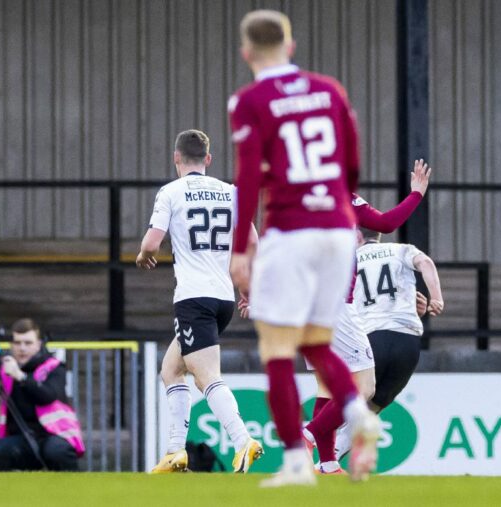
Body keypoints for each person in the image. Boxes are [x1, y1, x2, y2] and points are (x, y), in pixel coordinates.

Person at [228, 9, 381, 485]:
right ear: (291, 47)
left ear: (246, 53)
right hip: (338, 230)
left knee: (278, 347)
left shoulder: (248, 101)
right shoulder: (330, 89)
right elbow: (352, 163)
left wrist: (240, 249)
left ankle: (297, 461)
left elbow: (248, 178)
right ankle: (358, 414)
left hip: (291, 230)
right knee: (315, 341)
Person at [136, 129, 264, 474]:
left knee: (206, 376)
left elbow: (152, 241)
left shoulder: (171, 192)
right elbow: (252, 243)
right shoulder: (232, 193)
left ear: (176, 157)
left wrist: (144, 255)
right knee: (171, 370)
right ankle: (175, 452)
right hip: (222, 297)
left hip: (194, 298)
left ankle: (243, 441)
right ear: (208, 159)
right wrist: (247, 290)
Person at [301, 159, 433, 474]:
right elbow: (386, 224)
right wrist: (416, 194)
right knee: (365, 388)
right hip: (335, 305)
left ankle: (329, 463)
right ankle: (309, 432)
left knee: (327, 386)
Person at [328, 227, 444, 459]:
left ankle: (313, 437)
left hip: (369, 339)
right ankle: (333, 454)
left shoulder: (346, 261)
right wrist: (436, 298)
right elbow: (426, 263)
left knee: (352, 398)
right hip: (407, 341)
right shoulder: (400, 250)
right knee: (375, 405)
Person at [0, 318, 84, 471]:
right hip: (21, 438)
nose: (22, 348)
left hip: (55, 434)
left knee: (55, 452)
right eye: (17, 343)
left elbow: (47, 396)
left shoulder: (54, 367)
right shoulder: (6, 369)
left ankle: (73, 491)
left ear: (39, 344)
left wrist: (20, 376)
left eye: (28, 343)